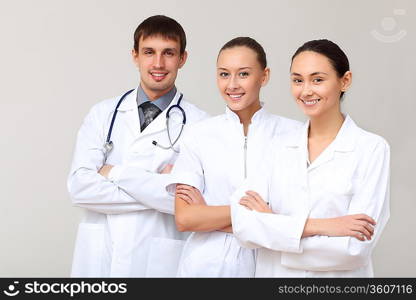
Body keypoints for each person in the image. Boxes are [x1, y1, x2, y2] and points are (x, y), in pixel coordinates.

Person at [231, 39, 390, 277]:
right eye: (297, 80)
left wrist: (274, 229)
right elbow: (244, 226)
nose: (306, 90)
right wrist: (323, 227)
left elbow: (354, 248)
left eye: (318, 79)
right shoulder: (276, 146)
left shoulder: (371, 149)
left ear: (344, 81)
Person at [67, 15, 208, 277]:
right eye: (149, 52)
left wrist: (114, 173)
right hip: (99, 259)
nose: (158, 63)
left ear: (182, 58)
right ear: (135, 56)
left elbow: (190, 204)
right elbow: (79, 188)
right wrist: (157, 186)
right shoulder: (103, 114)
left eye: (168, 53)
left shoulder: (201, 125)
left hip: (159, 264)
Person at [166, 37, 302, 277]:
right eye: (224, 74)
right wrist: (262, 218)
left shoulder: (295, 135)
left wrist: (210, 213)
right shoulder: (199, 135)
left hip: (272, 265)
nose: (232, 85)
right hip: (207, 267)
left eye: (243, 74)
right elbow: (186, 218)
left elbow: (298, 219)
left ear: (264, 76)